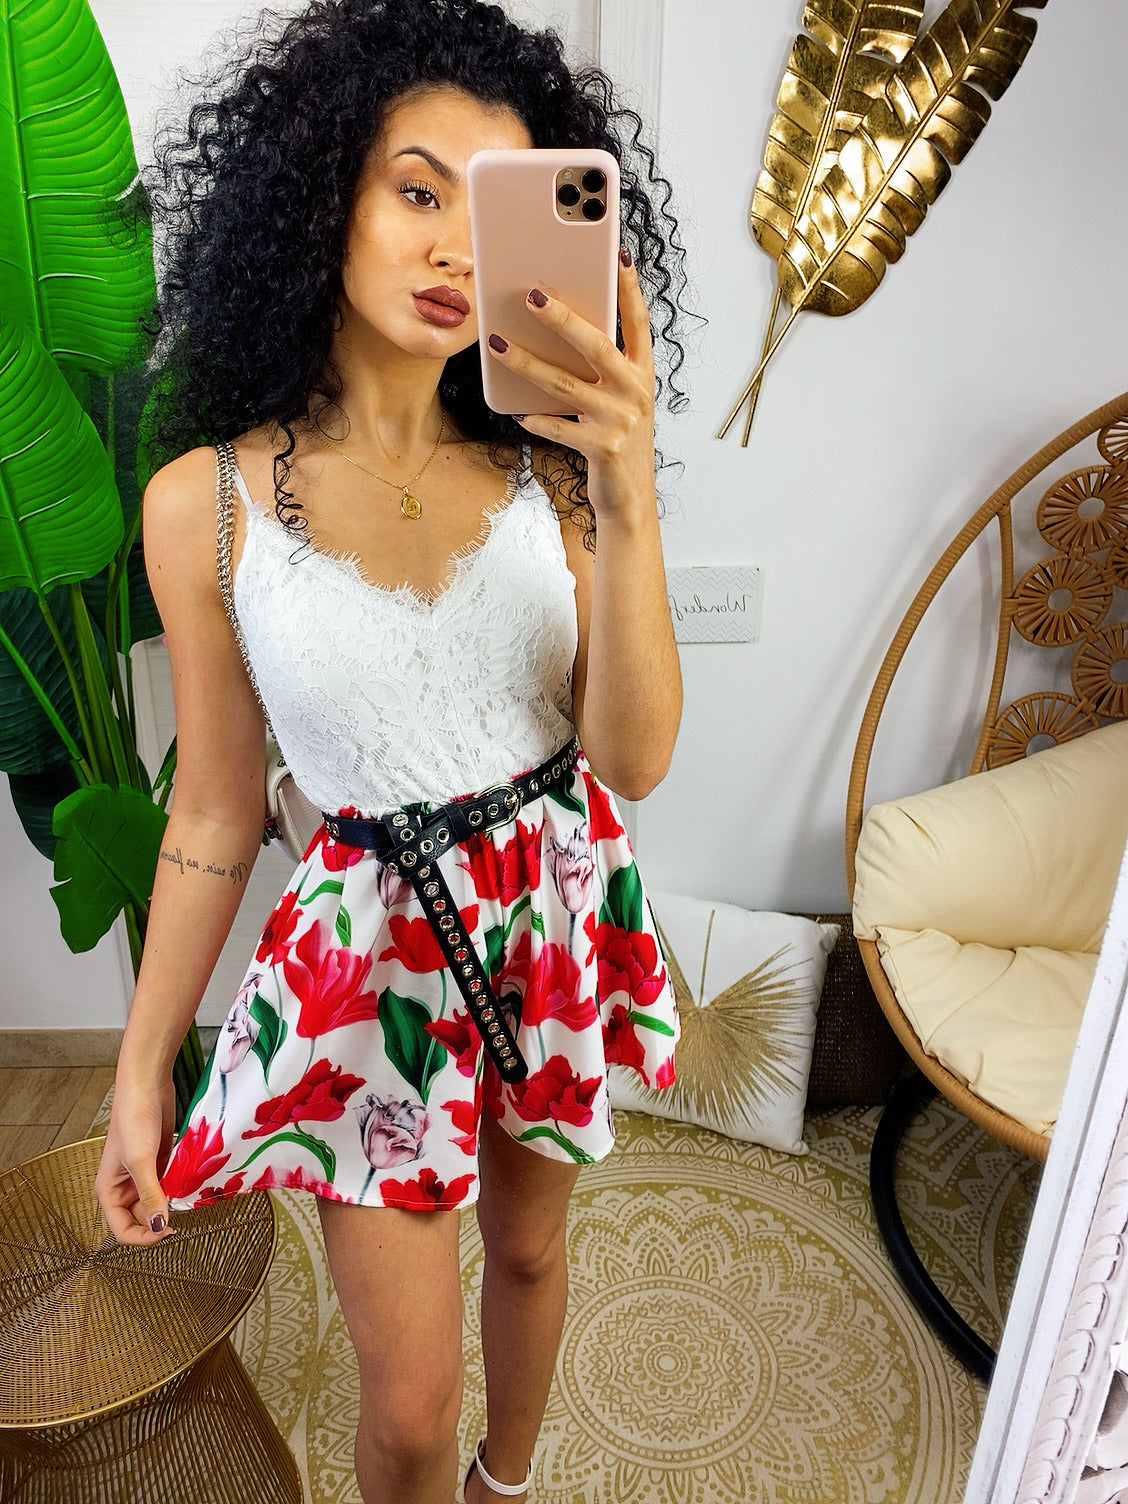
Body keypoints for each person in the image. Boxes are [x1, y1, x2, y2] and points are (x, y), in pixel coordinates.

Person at [95, 2, 689, 1500]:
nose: (454, 250)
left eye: (494, 214)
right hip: (369, 966)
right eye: (419, 191)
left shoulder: (558, 474)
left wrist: (630, 489)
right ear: (321, 196)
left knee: (533, 1252)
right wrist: (141, 1072)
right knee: (408, 1409)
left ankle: (508, 1486)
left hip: (551, 912)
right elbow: (214, 809)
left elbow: (631, 760)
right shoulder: (204, 506)